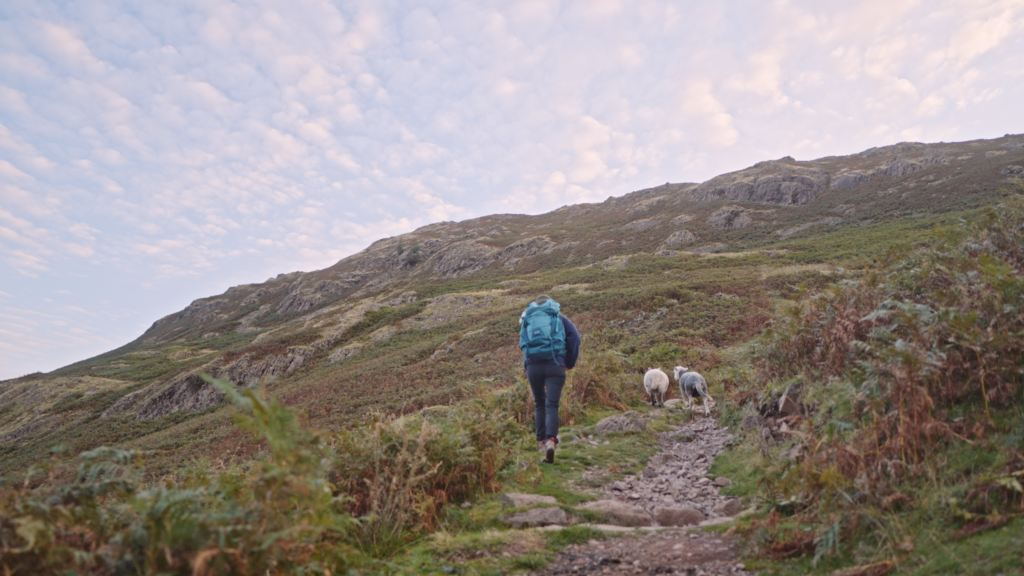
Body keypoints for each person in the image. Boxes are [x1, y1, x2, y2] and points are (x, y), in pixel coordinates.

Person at [519, 295, 581, 464]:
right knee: (551, 405)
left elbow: (523, 342)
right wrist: (569, 363)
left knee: (539, 403)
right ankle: (551, 441)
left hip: (533, 366)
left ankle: (540, 442)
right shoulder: (559, 318)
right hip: (555, 364)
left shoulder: (528, 318)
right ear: (551, 305)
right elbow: (575, 338)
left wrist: (528, 364)